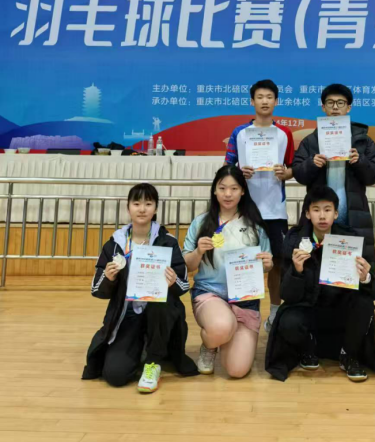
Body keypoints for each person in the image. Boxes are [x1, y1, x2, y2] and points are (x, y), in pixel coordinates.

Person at [266, 186, 375, 383]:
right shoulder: (294, 240)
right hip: (308, 308)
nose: (322, 216)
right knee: (288, 321)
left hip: (339, 309)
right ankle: (307, 348)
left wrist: (365, 277)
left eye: (327, 210)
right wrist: (297, 271)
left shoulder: (350, 239)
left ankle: (348, 354)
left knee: (365, 304)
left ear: (336, 213)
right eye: (316, 210)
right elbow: (287, 295)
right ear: (307, 213)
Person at [82, 183, 197, 393]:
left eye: (148, 203)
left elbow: (183, 286)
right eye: (136, 203)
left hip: (160, 313)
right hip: (128, 315)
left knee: (159, 303)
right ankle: (141, 348)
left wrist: (172, 282)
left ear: (155, 208)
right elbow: (97, 289)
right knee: (115, 375)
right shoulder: (115, 244)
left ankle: (153, 361)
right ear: (128, 208)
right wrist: (109, 278)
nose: (142, 209)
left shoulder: (167, 242)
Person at [184, 165, 273, 379]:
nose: (228, 194)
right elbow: (187, 265)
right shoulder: (201, 223)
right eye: (222, 188)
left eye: (234, 188)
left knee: (237, 370)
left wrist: (268, 263)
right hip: (210, 293)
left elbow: (266, 264)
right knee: (222, 326)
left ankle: (225, 335)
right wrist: (198, 251)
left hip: (245, 299)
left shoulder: (255, 226)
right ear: (214, 190)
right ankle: (210, 344)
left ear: (242, 191)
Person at [225, 79, 295, 333]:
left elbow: (293, 168)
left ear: (276, 102)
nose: (265, 101)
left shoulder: (284, 133)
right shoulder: (240, 133)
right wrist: (239, 172)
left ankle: (275, 312)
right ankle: (244, 312)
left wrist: (285, 173)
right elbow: (227, 170)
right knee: (245, 261)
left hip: (275, 210)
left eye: (269, 97)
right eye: (260, 97)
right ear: (252, 101)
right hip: (245, 210)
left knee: (277, 263)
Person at [292, 84, 375, 238]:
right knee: (317, 253)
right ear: (323, 107)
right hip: (320, 216)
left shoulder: (362, 141)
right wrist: (311, 164)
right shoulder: (310, 141)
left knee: (352, 252)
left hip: (353, 215)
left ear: (348, 108)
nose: (335, 107)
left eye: (340, 103)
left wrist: (360, 161)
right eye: (330, 103)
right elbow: (298, 173)